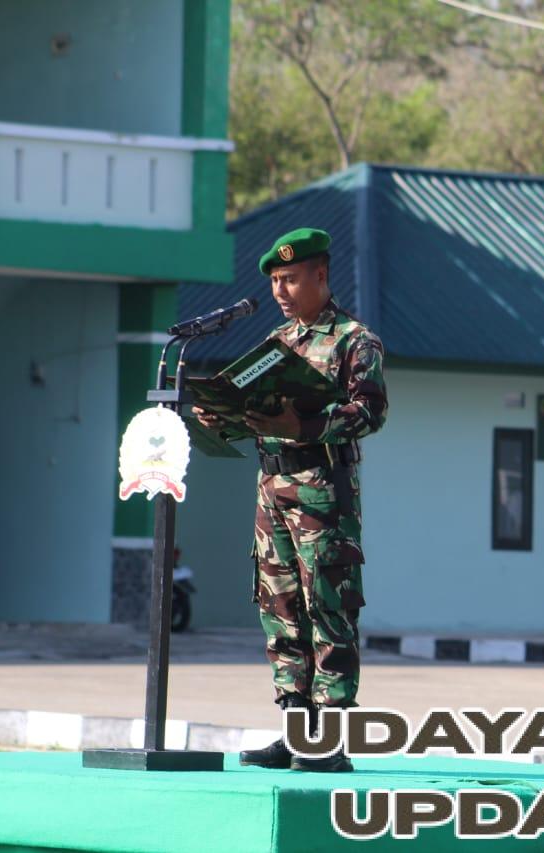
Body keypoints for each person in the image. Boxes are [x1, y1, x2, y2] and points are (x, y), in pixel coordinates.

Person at [195, 227, 388, 773]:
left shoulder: (355, 340)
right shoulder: (280, 343)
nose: (280, 290)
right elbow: (257, 409)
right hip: (271, 493)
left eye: (290, 278)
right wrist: (225, 417)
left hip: (322, 494)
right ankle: (296, 731)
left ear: (320, 276)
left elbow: (369, 412)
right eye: (276, 281)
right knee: (281, 612)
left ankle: (329, 741)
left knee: (329, 609)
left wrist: (302, 424)